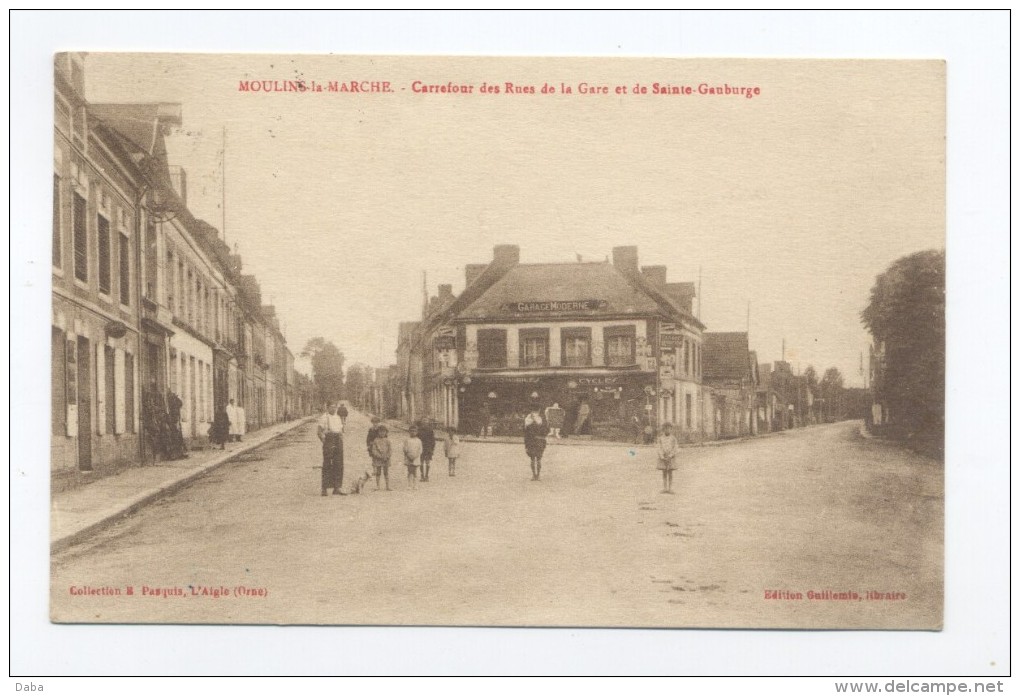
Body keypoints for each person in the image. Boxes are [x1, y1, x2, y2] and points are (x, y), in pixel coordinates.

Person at [317, 402, 345, 496]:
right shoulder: (324, 417)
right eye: (331, 407)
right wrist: (324, 441)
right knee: (327, 464)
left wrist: (340, 439)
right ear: (327, 408)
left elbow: (341, 430)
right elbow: (319, 432)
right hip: (329, 440)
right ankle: (324, 489)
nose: (334, 409)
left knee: (339, 464)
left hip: (338, 440)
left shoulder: (337, 417)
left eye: (335, 407)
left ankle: (337, 487)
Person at [524, 406, 550, 481]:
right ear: (539, 411)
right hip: (540, 441)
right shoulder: (542, 420)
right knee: (539, 459)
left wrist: (526, 444)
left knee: (532, 459)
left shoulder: (527, 420)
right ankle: (538, 475)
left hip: (531, 441)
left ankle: (533, 475)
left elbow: (525, 433)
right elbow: (547, 431)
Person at [656, 423, 680, 494]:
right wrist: (662, 456)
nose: (667, 430)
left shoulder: (673, 438)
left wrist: (670, 455)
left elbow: (675, 447)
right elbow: (659, 447)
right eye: (665, 428)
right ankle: (664, 488)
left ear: (671, 429)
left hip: (670, 457)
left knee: (670, 472)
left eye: (669, 428)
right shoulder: (660, 438)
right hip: (663, 457)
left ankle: (670, 488)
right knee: (664, 472)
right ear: (663, 430)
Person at [369, 424, 392, 491]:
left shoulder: (388, 440)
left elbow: (390, 450)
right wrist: (379, 456)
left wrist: (387, 456)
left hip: (386, 459)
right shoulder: (376, 440)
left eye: (384, 431)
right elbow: (374, 450)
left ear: (386, 432)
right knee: (378, 472)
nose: (382, 433)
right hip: (378, 459)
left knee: (386, 472)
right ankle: (377, 486)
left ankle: (387, 486)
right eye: (380, 431)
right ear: (378, 432)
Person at [166, 390, 188, 459]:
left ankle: (179, 453)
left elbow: (180, 403)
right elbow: (180, 404)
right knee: (175, 438)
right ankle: (176, 454)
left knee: (177, 438)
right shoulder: (173, 404)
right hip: (174, 421)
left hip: (175, 421)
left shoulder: (174, 402)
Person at [403, 425, 423, 491]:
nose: (413, 432)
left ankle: (415, 485)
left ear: (417, 432)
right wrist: (409, 455)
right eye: (411, 431)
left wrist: (415, 456)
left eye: (414, 431)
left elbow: (420, 450)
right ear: (409, 432)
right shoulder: (407, 440)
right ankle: (409, 485)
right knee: (409, 471)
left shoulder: (419, 441)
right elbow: (405, 449)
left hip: (416, 458)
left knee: (415, 472)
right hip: (409, 458)